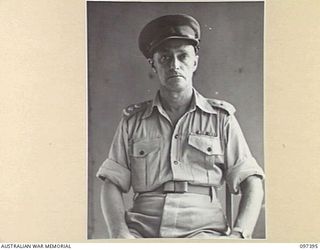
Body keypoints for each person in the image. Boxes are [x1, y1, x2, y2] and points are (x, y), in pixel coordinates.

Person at [96, 14, 265, 239]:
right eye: (165, 58)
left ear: (195, 61)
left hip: (204, 232)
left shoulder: (220, 119)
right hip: (142, 232)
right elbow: (111, 182)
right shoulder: (133, 122)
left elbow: (251, 181)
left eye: (183, 56)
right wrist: (120, 233)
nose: (175, 65)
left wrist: (240, 235)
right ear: (153, 65)